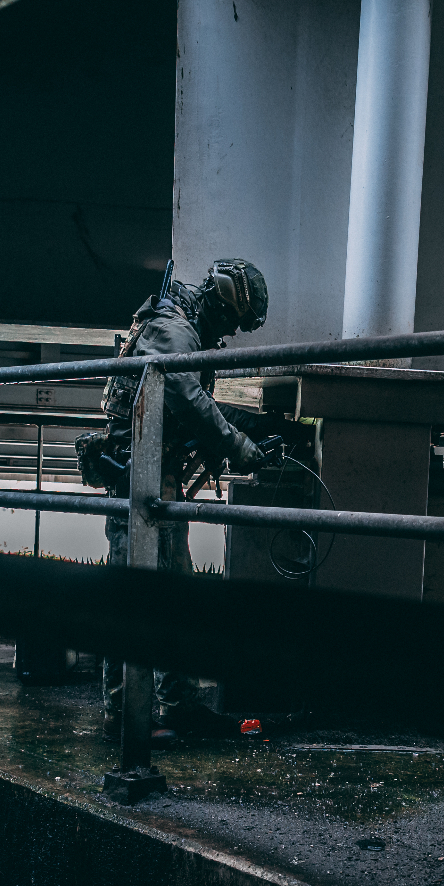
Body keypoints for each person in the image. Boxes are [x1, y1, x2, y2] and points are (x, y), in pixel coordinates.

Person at [78, 259, 308, 743]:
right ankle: (125, 718)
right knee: (136, 598)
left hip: (154, 479)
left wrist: (257, 427)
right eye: (228, 321)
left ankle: (175, 705)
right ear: (217, 303)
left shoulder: (179, 328)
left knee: (170, 594)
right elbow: (185, 393)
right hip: (139, 480)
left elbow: (197, 400)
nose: (226, 333)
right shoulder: (173, 330)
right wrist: (241, 447)